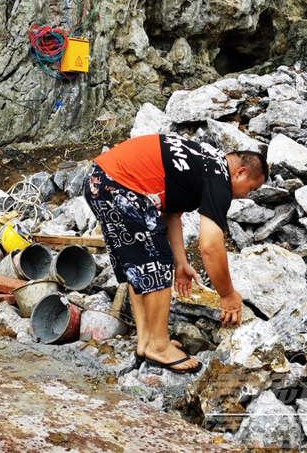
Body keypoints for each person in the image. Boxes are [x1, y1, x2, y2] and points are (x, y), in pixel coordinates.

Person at [84, 134, 269, 374]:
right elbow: (210, 246)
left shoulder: (202, 162)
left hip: (100, 180)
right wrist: (227, 295)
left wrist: (181, 263)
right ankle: (160, 346)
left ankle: (146, 342)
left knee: (139, 263)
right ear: (241, 172)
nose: (245, 196)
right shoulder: (219, 177)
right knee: (157, 261)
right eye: (251, 189)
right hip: (120, 184)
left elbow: (171, 215)